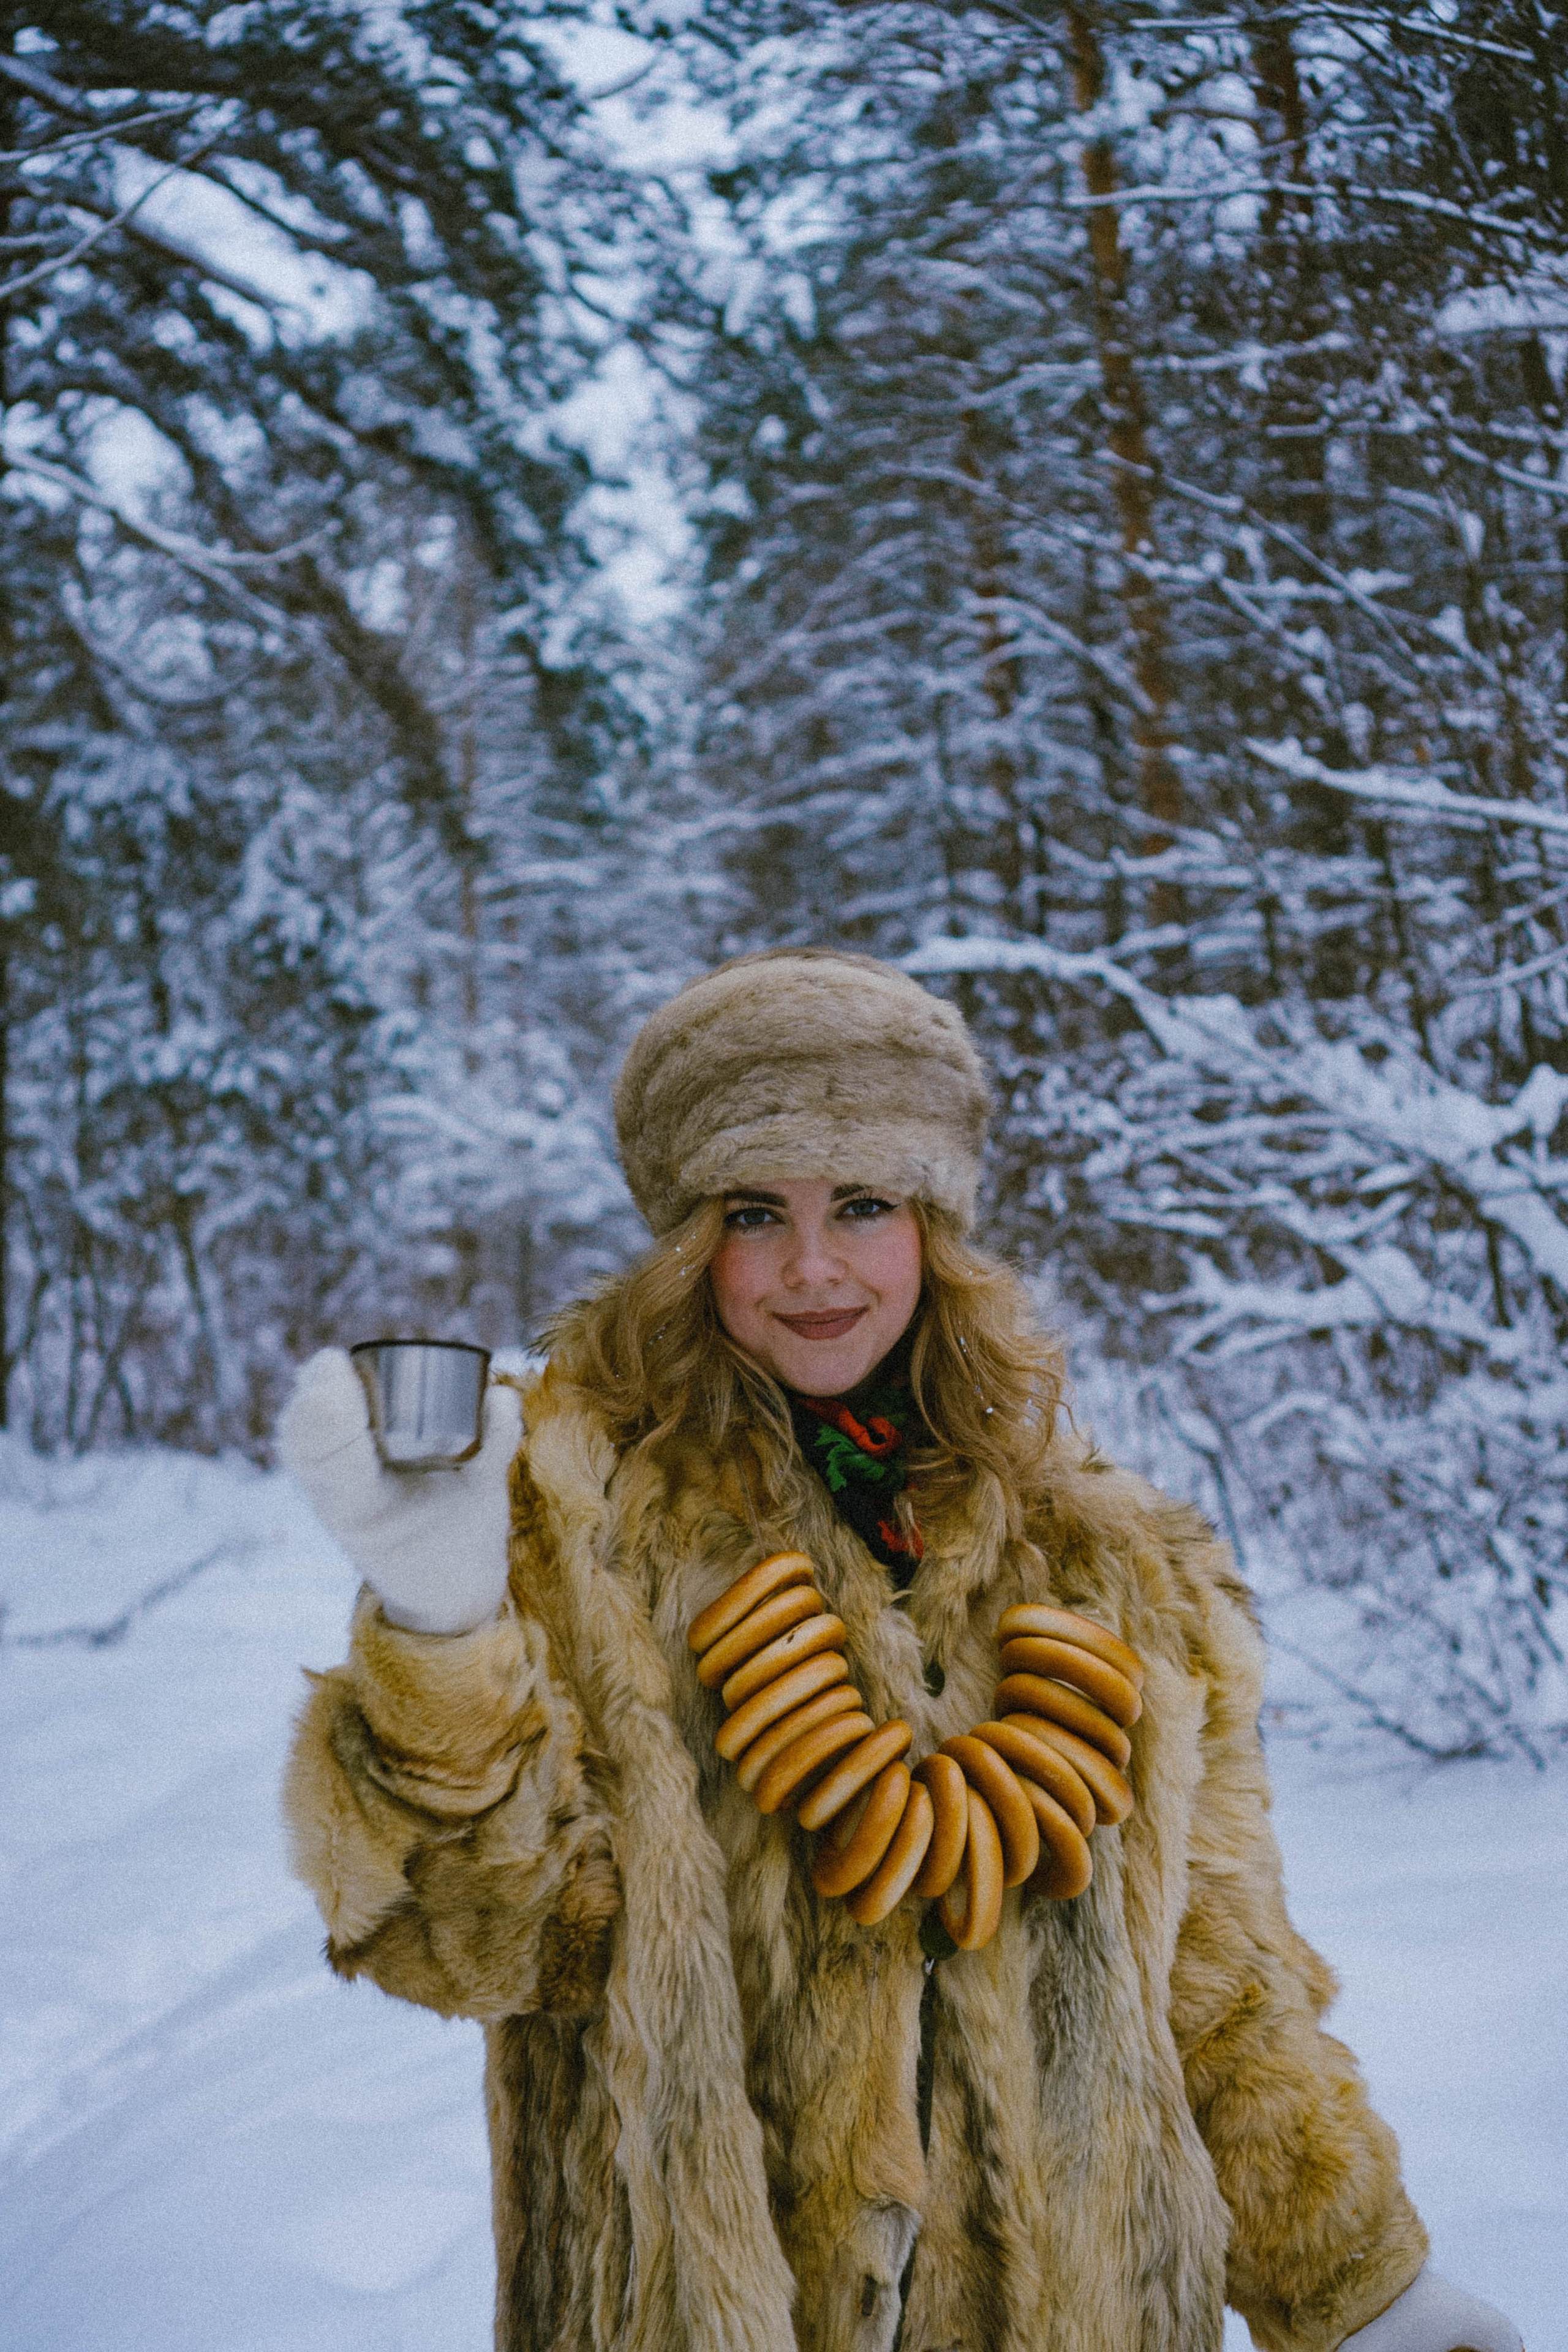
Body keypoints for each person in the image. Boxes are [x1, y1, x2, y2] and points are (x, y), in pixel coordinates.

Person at [279, 950, 1523, 2352]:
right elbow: (480, 1950)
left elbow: (1219, 1992)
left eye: (861, 1205)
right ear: (694, 1241)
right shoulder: (570, 1530)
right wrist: (440, 1625)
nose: (812, 1267)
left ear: (932, 1225)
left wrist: (1360, 2286)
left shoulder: (1112, 1562)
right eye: (757, 1213)